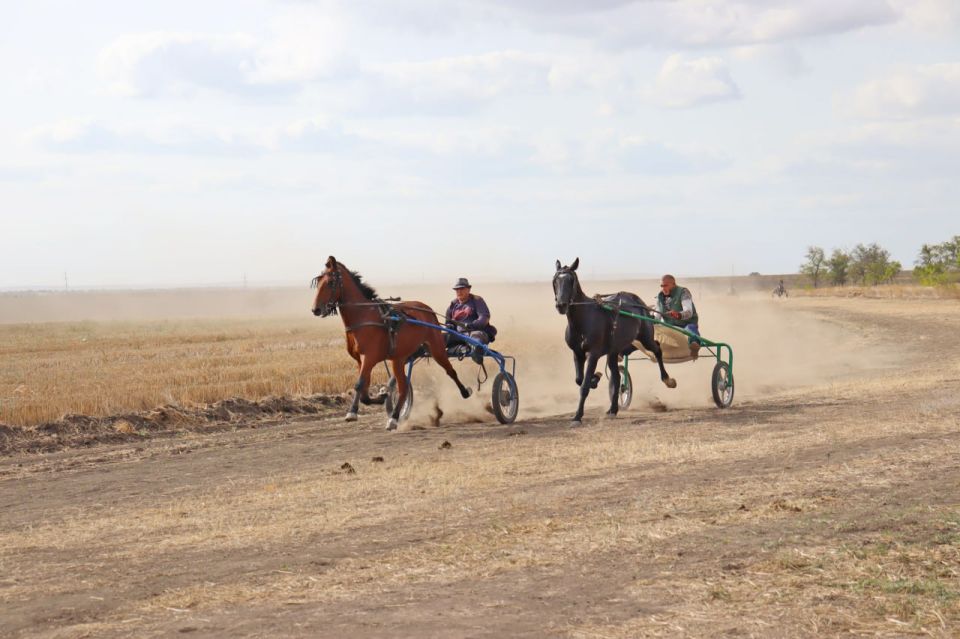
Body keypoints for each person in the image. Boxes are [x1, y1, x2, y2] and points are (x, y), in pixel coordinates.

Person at [445, 277, 497, 364]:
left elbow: (484, 317)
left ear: (468, 289)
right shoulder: (453, 304)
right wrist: (449, 326)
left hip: (474, 333)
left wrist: (471, 325)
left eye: (462, 289)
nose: (459, 291)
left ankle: (476, 352)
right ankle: (462, 349)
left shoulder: (477, 300)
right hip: (457, 335)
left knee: (477, 338)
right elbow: (448, 322)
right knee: (438, 339)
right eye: (457, 289)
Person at [656, 274, 701, 358]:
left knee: (690, 328)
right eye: (661, 286)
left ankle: (694, 345)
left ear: (673, 284)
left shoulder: (683, 292)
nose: (663, 288)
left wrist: (678, 314)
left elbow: (688, 311)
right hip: (670, 328)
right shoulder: (660, 297)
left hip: (686, 325)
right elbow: (657, 316)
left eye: (665, 285)